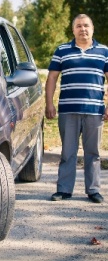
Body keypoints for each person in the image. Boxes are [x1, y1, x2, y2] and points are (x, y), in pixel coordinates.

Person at [45, 13, 108, 204]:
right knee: (68, 152)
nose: (83, 29)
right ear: (73, 30)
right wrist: (49, 104)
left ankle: (94, 190)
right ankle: (64, 190)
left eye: (86, 25)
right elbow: (52, 78)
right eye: (79, 26)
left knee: (93, 153)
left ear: (92, 28)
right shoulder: (62, 50)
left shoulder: (104, 51)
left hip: (95, 111)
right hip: (68, 109)